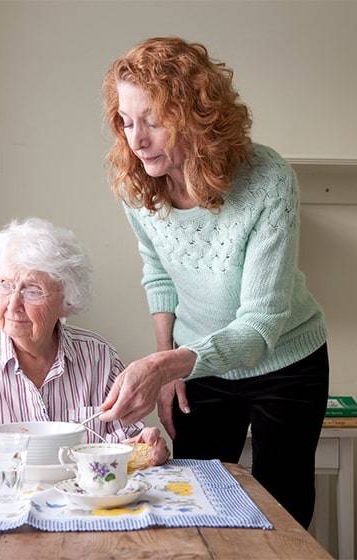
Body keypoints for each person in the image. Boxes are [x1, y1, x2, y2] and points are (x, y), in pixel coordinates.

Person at [98, 37, 328, 527]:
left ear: (197, 115)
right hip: (196, 363)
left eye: (153, 120)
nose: (136, 140)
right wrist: (170, 365)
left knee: (282, 513)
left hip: (286, 361)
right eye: (126, 120)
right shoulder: (136, 186)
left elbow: (262, 325)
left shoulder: (268, 178)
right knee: (196, 502)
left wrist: (165, 365)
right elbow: (158, 271)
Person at [0, 217, 169, 469]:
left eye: (33, 291)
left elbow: (124, 443)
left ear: (67, 301)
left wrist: (145, 448)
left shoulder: (99, 357)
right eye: (5, 285)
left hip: (78, 508)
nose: (13, 305)